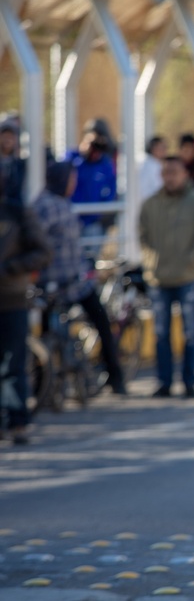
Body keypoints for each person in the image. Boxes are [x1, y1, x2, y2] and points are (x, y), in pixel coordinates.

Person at [33, 161, 127, 396]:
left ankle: (111, 375)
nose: (73, 184)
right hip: (58, 281)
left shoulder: (61, 203)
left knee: (100, 321)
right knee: (94, 323)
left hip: (75, 278)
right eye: (71, 180)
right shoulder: (46, 206)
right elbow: (36, 240)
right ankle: (45, 384)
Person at [139, 156, 194, 398]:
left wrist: (193, 260)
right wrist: (152, 262)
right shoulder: (151, 204)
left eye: (175, 172)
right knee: (161, 333)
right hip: (159, 277)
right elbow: (143, 236)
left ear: (185, 174)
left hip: (188, 277)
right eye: (166, 173)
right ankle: (164, 382)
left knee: (190, 332)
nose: (170, 178)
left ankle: (190, 381)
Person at [0, 167, 51, 444]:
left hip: (11, 299)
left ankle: (18, 421)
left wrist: (10, 268)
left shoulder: (18, 213)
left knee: (12, 364)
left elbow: (43, 252)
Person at [68, 131, 117, 259]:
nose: (95, 152)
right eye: (93, 146)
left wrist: (102, 207)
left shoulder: (104, 164)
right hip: (72, 218)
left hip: (92, 220)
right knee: (72, 255)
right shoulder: (73, 160)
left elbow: (111, 187)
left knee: (91, 256)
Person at [0, 117, 26, 204]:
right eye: (4, 135)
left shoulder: (19, 165)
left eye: (11, 136)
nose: (7, 139)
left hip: (13, 210)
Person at [138, 135, 167, 202]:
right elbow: (158, 188)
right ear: (153, 149)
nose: (164, 150)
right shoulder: (150, 166)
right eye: (161, 148)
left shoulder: (156, 164)